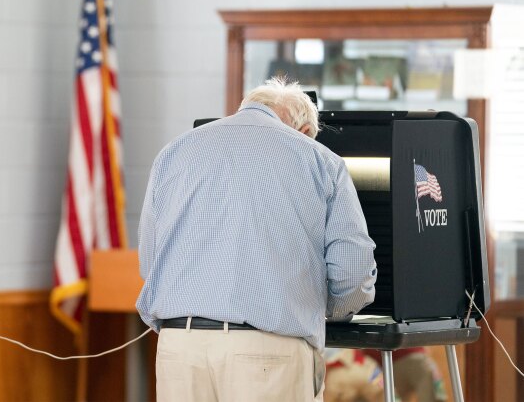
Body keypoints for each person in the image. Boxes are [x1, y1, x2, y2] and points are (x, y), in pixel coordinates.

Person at [136, 77, 378, 402]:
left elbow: (150, 261)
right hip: (268, 350)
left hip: (179, 348)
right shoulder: (320, 160)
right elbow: (352, 273)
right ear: (304, 130)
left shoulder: (174, 152)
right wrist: (324, 311)